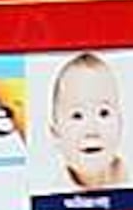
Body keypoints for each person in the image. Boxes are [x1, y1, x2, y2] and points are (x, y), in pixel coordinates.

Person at [47, 53, 125, 190]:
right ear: (55, 134)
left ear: (120, 125)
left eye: (104, 113)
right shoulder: (51, 196)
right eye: (77, 116)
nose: (92, 130)